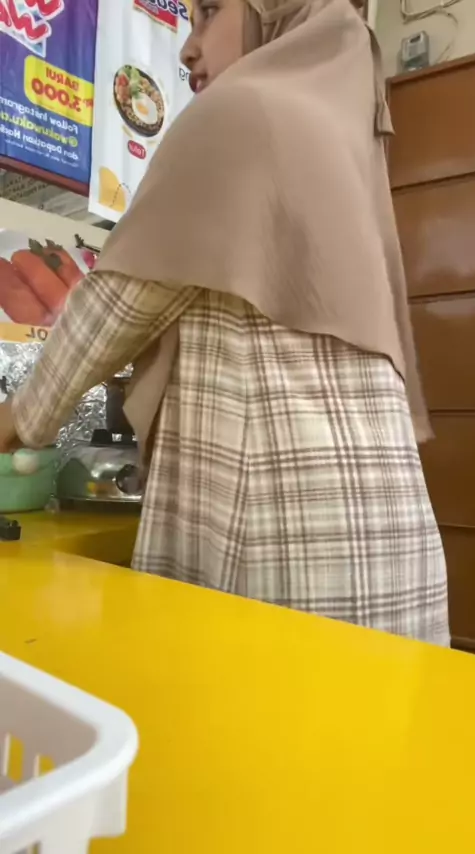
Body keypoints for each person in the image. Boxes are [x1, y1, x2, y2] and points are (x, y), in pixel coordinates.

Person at [0, 0, 449, 644]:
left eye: (210, 12)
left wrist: (18, 418)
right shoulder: (341, 139)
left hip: (282, 542)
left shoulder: (240, 110)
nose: (188, 48)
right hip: (389, 547)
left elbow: (121, 300)